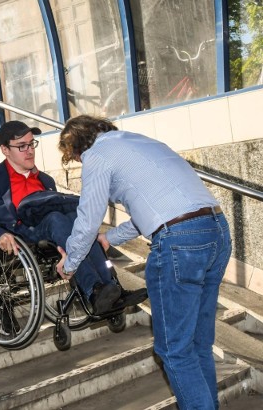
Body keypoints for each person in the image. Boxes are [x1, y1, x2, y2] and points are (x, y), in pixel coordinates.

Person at [56, 115, 232, 410]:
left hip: (179, 242)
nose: (79, 161)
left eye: (74, 157)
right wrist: (111, 238)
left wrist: (71, 263)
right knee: (198, 343)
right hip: (216, 230)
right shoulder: (142, 142)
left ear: (76, 148)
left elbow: (87, 220)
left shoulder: (96, 155)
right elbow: (155, 206)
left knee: (173, 350)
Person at [0, 120, 147, 326]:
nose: (29, 151)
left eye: (32, 144)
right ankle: (94, 289)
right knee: (57, 219)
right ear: (5, 149)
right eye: (22, 146)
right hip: (21, 232)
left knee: (81, 222)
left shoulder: (45, 180)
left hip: (56, 232)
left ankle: (112, 288)